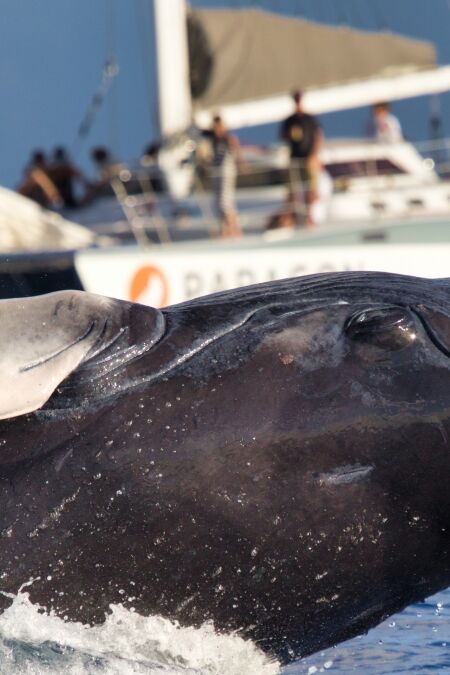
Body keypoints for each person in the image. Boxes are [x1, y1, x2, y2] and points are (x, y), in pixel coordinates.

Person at [280, 90, 323, 227]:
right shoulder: (290, 120)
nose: (297, 102)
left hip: (308, 159)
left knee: (310, 191)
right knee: (293, 191)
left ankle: (309, 218)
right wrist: (290, 134)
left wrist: (315, 155)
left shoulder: (309, 119)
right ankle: (295, 218)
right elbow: (283, 137)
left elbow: (318, 136)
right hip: (295, 159)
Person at [203, 115, 243, 238]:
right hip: (216, 172)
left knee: (226, 201)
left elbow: (236, 151)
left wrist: (240, 163)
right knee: (218, 202)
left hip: (226, 171)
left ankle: (234, 230)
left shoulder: (228, 138)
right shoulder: (212, 138)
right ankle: (224, 230)